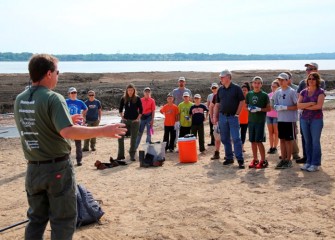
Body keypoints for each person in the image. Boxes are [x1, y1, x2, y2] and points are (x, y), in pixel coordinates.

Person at [14, 54, 126, 240]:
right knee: (63, 220)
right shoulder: (53, 98)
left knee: (36, 219)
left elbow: (37, 124)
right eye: (57, 72)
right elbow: (68, 132)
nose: (58, 75)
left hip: (33, 169)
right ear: (49, 73)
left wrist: (67, 121)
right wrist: (103, 130)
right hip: (56, 168)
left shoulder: (20, 99)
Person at [213, 69, 245, 169]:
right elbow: (217, 104)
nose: (221, 79)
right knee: (225, 138)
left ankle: (240, 159)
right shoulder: (220, 90)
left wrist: (237, 114)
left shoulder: (236, 88)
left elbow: (242, 101)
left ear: (228, 77)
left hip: (233, 117)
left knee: (236, 138)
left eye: (222, 77)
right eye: (220, 77)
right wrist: (215, 116)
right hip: (222, 117)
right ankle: (229, 158)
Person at [296, 62, 326, 164]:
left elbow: (319, 105)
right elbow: (298, 103)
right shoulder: (303, 87)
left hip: (316, 118)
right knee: (306, 140)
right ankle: (307, 160)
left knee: (315, 141)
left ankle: (315, 162)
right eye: (307, 69)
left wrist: (305, 106)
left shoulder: (320, 87)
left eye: (311, 68)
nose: (308, 70)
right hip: (303, 117)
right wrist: (309, 104)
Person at [273, 73, 298, 169]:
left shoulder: (291, 91)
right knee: (282, 140)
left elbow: (297, 106)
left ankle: (288, 160)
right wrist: (276, 107)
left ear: (287, 80)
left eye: (283, 80)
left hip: (290, 120)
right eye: (279, 80)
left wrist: (285, 107)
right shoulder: (278, 92)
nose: (281, 82)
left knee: (289, 140)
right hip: (281, 119)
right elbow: (274, 103)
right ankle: (283, 159)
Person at [245, 77, 271, 169]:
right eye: (255, 83)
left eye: (259, 83)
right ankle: (255, 159)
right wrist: (248, 108)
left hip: (260, 121)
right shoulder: (249, 94)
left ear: (261, 84)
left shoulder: (264, 95)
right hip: (251, 120)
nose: (256, 85)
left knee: (259, 141)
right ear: (252, 84)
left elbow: (269, 108)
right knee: (252, 141)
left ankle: (263, 160)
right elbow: (246, 105)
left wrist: (259, 109)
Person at [117, 83, 143, 161]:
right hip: (125, 120)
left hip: (135, 121)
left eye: (131, 90)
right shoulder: (123, 98)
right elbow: (120, 109)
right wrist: (122, 117)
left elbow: (141, 110)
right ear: (127, 91)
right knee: (120, 137)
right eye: (129, 90)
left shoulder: (137, 98)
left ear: (134, 90)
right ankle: (121, 155)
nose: (130, 92)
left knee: (133, 139)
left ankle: (132, 155)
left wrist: (138, 119)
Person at [66, 87, 88, 166]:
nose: (73, 94)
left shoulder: (80, 102)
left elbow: (86, 108)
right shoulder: (65, 102)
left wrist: (82, 116)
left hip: (77, 124)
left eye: (75, 92)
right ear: (69, 94)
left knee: (78, 143)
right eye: (72, 93)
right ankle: (67, 160)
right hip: (67, 124)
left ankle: (79, 160)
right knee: (67, 144)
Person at [171, 77, 192, 144]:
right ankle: (175, 142)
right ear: (178, 82)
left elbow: (191, 101)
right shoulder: (174, 91)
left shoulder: (188, 91)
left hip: (185, 112)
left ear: (185, 82)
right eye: (180, 81)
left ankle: (185, 142)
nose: (181, 83)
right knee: (176, 127)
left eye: (182, 81)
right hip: (176, 112)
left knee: (184, 127)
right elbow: (172, 101)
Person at [266, 80, 280, 154]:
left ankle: (275, 147)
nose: (273, 88)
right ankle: (271, 147)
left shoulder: (279, 95)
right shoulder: (268, 95)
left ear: (278, 87)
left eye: (275, 87)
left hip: (276, 116)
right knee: (270, 133)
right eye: (272, 86)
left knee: (276, 132)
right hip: (268, 115)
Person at [209, 91, 222, 160]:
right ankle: (217, 153)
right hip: (217, 120)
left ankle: (228, 154)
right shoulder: (216, 95)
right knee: (217, 138)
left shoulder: (230, 93)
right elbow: (211, 106)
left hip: (227, 119)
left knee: (228, 138)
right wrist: (211, 117)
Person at [239, 82, 250, 152]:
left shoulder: (249, 99)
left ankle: (242, 147)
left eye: (245, 90)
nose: (244, 91)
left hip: (246, 120)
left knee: (243, 134)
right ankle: (237, 147)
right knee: (236, 135)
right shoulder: (238, 99)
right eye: (242, 89)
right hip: (237, 119)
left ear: (248, 91)